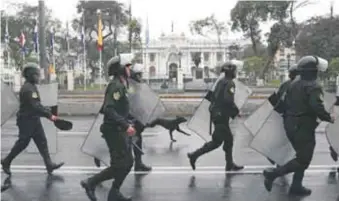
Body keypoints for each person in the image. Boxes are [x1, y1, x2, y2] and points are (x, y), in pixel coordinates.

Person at [263, 56, 335, 196]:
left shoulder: (292, 83)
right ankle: (273, 174)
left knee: (301, 157)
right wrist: (328, 117)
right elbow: (316, 106)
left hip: (290, 124)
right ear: (313, 71)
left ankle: (296, 186)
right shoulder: (314, 86)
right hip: (303, 127)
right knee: (303, 159)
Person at [81, 56, 136, 201]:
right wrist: (125, 125)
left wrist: (131, 120)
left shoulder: (122, 85)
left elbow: (121, 109)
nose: (130, 69)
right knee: (120, 165)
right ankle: (91, 182)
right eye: (127, 66)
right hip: (114, 131)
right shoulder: (115, 86)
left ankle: (114, 192)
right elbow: (109, 109)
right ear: (120, 69)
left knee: (128, 162)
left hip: (120, 129)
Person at [1, 63, 64, 176]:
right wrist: (50, 115)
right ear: (30, 75)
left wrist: (47, 111)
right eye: (36, 74)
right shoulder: (28, 89)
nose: (38, 77)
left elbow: (36, 105)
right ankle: (6, 161)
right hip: (26, 121)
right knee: (22, 143)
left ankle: (49, 165)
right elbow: (35, 106)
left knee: (42, 142)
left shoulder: (31, 86)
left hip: (33, 119)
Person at [187, 61, 244, 171]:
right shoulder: (230, 83)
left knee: (227, 140)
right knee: (217, 142)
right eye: (235, 71)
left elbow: (214, 97)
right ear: (231, 72)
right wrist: (236, 111)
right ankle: (194, 155)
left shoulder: (221, 82)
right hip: (221, 115)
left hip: (216, 114)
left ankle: (229, 164)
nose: (236, 73)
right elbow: (228, 100)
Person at [267, 65, 298, 165]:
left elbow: (275, 98)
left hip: (285, 115)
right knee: (293, 140)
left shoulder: (284, 84)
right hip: (294, 116)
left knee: (285, 138)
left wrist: (280, 110)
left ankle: (278, 159)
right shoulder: (298, 85)